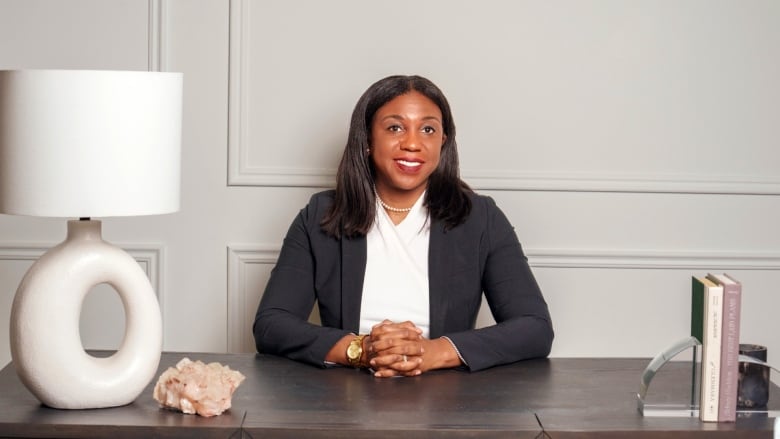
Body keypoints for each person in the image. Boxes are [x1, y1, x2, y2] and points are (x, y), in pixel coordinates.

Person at [253, 75, 553, 377]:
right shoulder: (321, 215)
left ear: (443, 141)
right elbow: (271, 324)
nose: (412, 143)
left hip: (449, 402)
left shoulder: (479, 217)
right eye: (395, 127)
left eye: (428, 129)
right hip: (344, 400)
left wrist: (433, 352)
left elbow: (534, 327)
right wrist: (360, 349)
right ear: (368, 139)